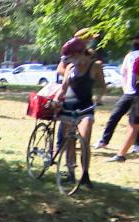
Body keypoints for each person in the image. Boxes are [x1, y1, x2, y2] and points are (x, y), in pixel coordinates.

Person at [54, 38, 106, 188]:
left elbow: (102, 86)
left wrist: (99, 97)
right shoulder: (70, 67)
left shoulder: (95, 66)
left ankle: (85, 175)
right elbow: (63, 88)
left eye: (73, 56)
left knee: (85, 141)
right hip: (68, 107)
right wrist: (57, 99)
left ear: (81, 52)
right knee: (69, 141)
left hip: (86, 108)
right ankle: (71, 173)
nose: (72, 59)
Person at [96, 31, 139, 151]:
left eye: (136, 39)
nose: (135, 42)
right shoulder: (130, 56)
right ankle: (104, 140)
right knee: (115, 115)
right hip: (129, 92)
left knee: (135, 120)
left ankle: (136, 144)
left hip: (137, 92)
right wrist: (125, 88)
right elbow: (124, 73)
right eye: (134, 39)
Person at [107, 33, 139, 162]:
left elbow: (134, 79)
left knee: (133, 126)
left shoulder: (135, 58)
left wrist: (132, 89)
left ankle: (120, 155)